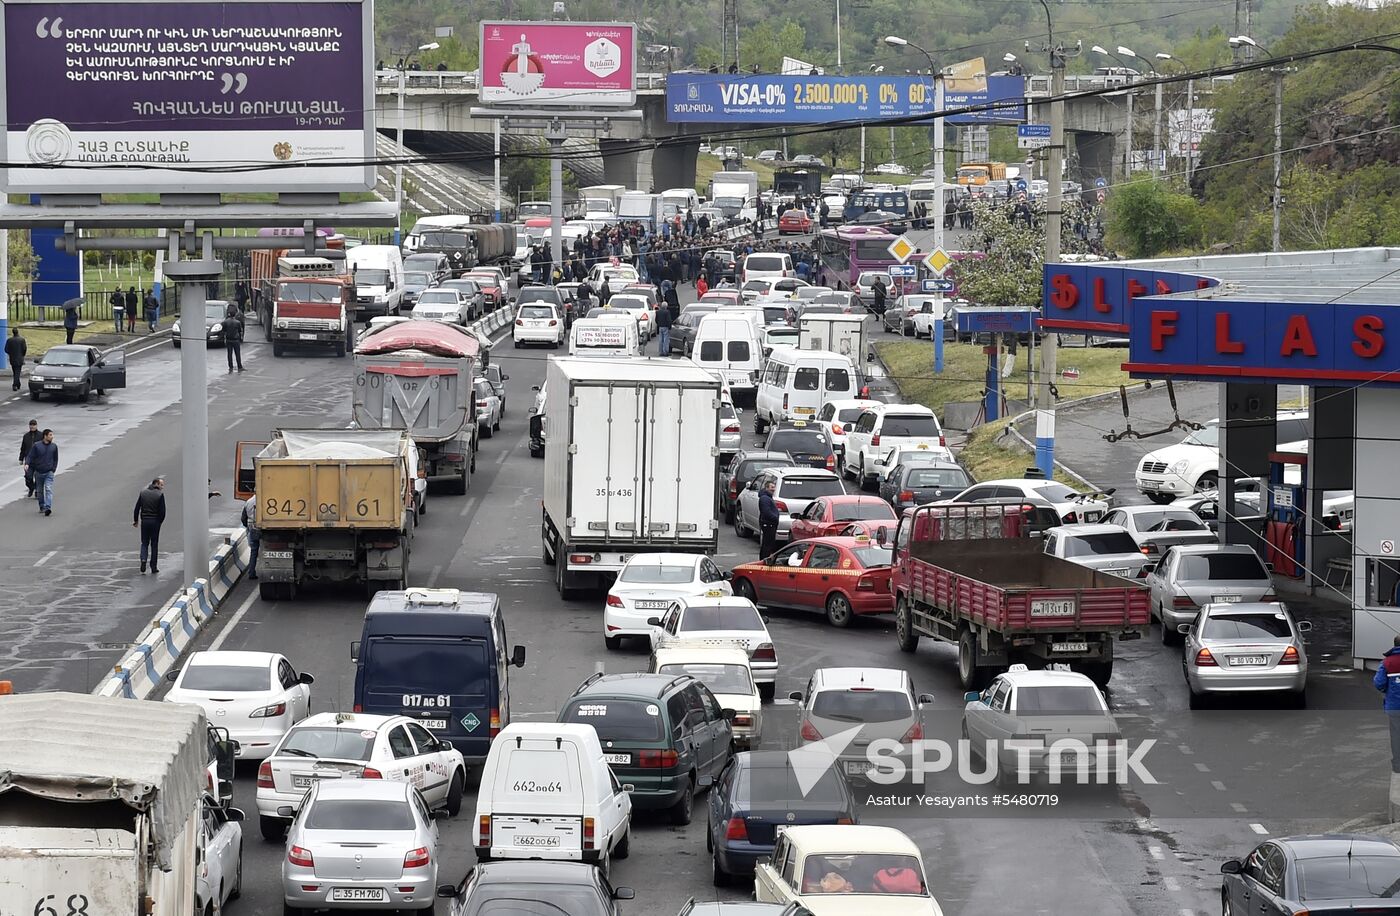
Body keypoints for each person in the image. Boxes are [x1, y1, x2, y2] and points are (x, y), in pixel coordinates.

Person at [132, 476, 166, 574]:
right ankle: (153, 566)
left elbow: (137, 508)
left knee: (144, 543)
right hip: (155, 522)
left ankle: (143, 560)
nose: (162, 487)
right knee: (154, 544)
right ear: (156, 484)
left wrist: (136, 520)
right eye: (161, 485)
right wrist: (160, 522)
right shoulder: (160, 495)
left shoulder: (143, 493)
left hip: (145, 521)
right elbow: (162, 512)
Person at [1376, 635, 1400, 773]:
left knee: (1396, 735)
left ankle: (1398, 766)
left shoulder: (1387, 663)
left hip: (1394, 707)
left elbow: (1379, 683)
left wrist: (1387, 690)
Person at [23, 427, 57, 516]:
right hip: (38, 472)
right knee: (40, 491)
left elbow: (55, 459)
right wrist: (27, 463)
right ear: (45, 436)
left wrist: (53, 469)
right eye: (50, 435)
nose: (52, 437)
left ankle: (48, 507)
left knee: (48, 489)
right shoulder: (37, 446)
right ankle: (42, 506)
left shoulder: (54, 446)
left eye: (52, 435)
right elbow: (30, 456)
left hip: (49, 472)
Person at [758, 479, 780, 560]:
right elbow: (766, 512)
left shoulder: (768, 497)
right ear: (766, 488)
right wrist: (775, 518)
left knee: (768, 544)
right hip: (768, 524)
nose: (773, 489)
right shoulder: (764, 498)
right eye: (771, 487)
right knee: (767, 544)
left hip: (770, 524)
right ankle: (764, 560)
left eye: (774, 487)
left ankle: (765, 559)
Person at [19, 419, 39, 497]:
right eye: (31, 425)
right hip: (28, 460)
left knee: (38, 477)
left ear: (36, 426)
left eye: (34, 425)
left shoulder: (40, 435)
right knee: (28, 477)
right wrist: (21, 458)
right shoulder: (26, 436)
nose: (32, 426)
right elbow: (23, 448)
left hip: (38, 460)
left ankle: (38, 491)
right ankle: (31, 488)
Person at [222, 305, 245, 372]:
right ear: (235, 314)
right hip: (235, 340)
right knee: (237, 354)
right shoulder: (237, 322)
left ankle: (231, 366)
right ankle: (239, 366)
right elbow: (240, 331)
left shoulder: (225, 322)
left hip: (228, 339)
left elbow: (224, 330)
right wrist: (240, 339)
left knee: (229, 354)